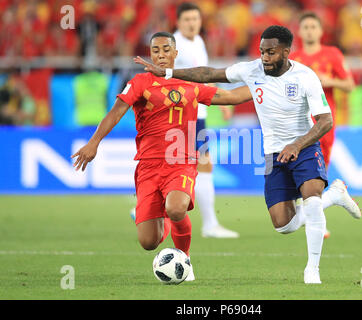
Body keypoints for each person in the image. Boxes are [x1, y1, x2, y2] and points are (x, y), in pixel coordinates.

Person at [135, 25, 361, 284]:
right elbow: (209, 73)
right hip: (273, 154)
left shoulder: (305, 76)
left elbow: (325, 121)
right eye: (262, 51)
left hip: (304, 146)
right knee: (283, 225)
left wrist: (297, 145)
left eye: (271, 53)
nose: (264, 57)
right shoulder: (252, 69)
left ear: (286, 52)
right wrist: (168, 72)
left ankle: (312, 269)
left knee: (311, 200)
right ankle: (335, 195)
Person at [72, 32, 252, 282]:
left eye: (166, 49)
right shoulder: (140, 83)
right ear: (151, 53)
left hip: (182, 160)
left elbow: (232, 97)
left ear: (176, 53)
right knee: (149, 242)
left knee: (177, 208)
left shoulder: (190, 84)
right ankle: (161, 217)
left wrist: (265, 84)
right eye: (156, 50)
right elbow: (116, 112)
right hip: (148, 166)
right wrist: (93, 143)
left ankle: (185, 259)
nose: (161, 54)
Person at [131, 2, 239, 238]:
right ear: (178, 22)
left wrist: (221, 99)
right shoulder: (173, 46)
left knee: (202, 164)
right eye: (188, 20)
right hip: (181, 118)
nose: (192, 24)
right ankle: (209, 224)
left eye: (196, 19)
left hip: (198, 114)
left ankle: (156, 208)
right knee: (202, 164)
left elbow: (201, 74)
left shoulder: (197, 42)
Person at [290, 12, 357, 239]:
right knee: (297, 169)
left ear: (320, 31)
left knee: (318, 173)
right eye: (305, 27)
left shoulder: (332, 54)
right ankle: (313, 217)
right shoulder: (293, 58)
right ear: (300, 31)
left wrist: (330, 81)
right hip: (297, 122)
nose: (309, 30)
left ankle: (313, 218)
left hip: (323, 122)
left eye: (313, 27)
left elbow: (349, 84)